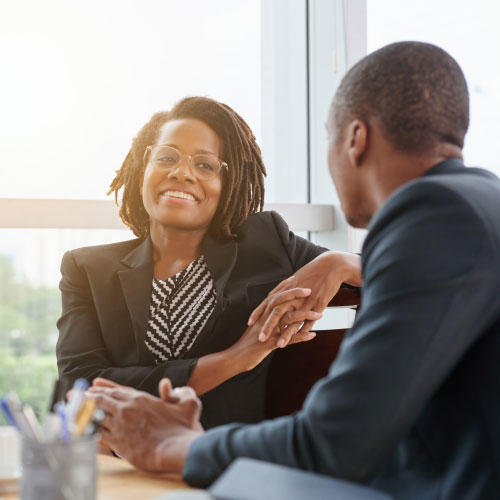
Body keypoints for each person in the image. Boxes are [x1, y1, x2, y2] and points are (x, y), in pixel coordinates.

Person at [89, 42, 500, 499]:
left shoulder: (435, 217)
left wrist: (180, 445)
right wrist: (338, 261)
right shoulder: (478, 204)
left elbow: (332, 444)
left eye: (328, 136)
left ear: (355, 139)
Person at [56, 96, 361, 429]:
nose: (181, 173)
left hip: (228, 462)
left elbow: (396, 271)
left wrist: (338, 262)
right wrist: (236, 359)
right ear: (143, 169)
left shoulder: (266, 242)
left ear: (227, 185)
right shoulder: (86, 270)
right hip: (125, 463)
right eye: (166, 157)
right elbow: (80, 387)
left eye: (204, 165)